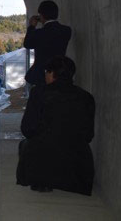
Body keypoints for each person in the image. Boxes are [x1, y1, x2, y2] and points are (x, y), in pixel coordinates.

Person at [16, 56, 95, 195]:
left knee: (25, 144)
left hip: (43, 167)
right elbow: (88, 135)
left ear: (52, 73)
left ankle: (42, 183)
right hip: (78, 171)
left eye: (47, 71)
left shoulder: (39, 93)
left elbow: (27, 129)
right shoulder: (86, 97)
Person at [24, 0, 71, 86]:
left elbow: (27, 44)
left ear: (41, 16)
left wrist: (31, 27)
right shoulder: (66, 30)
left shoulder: (39, 33)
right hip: (60, 73)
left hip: (41, 75)